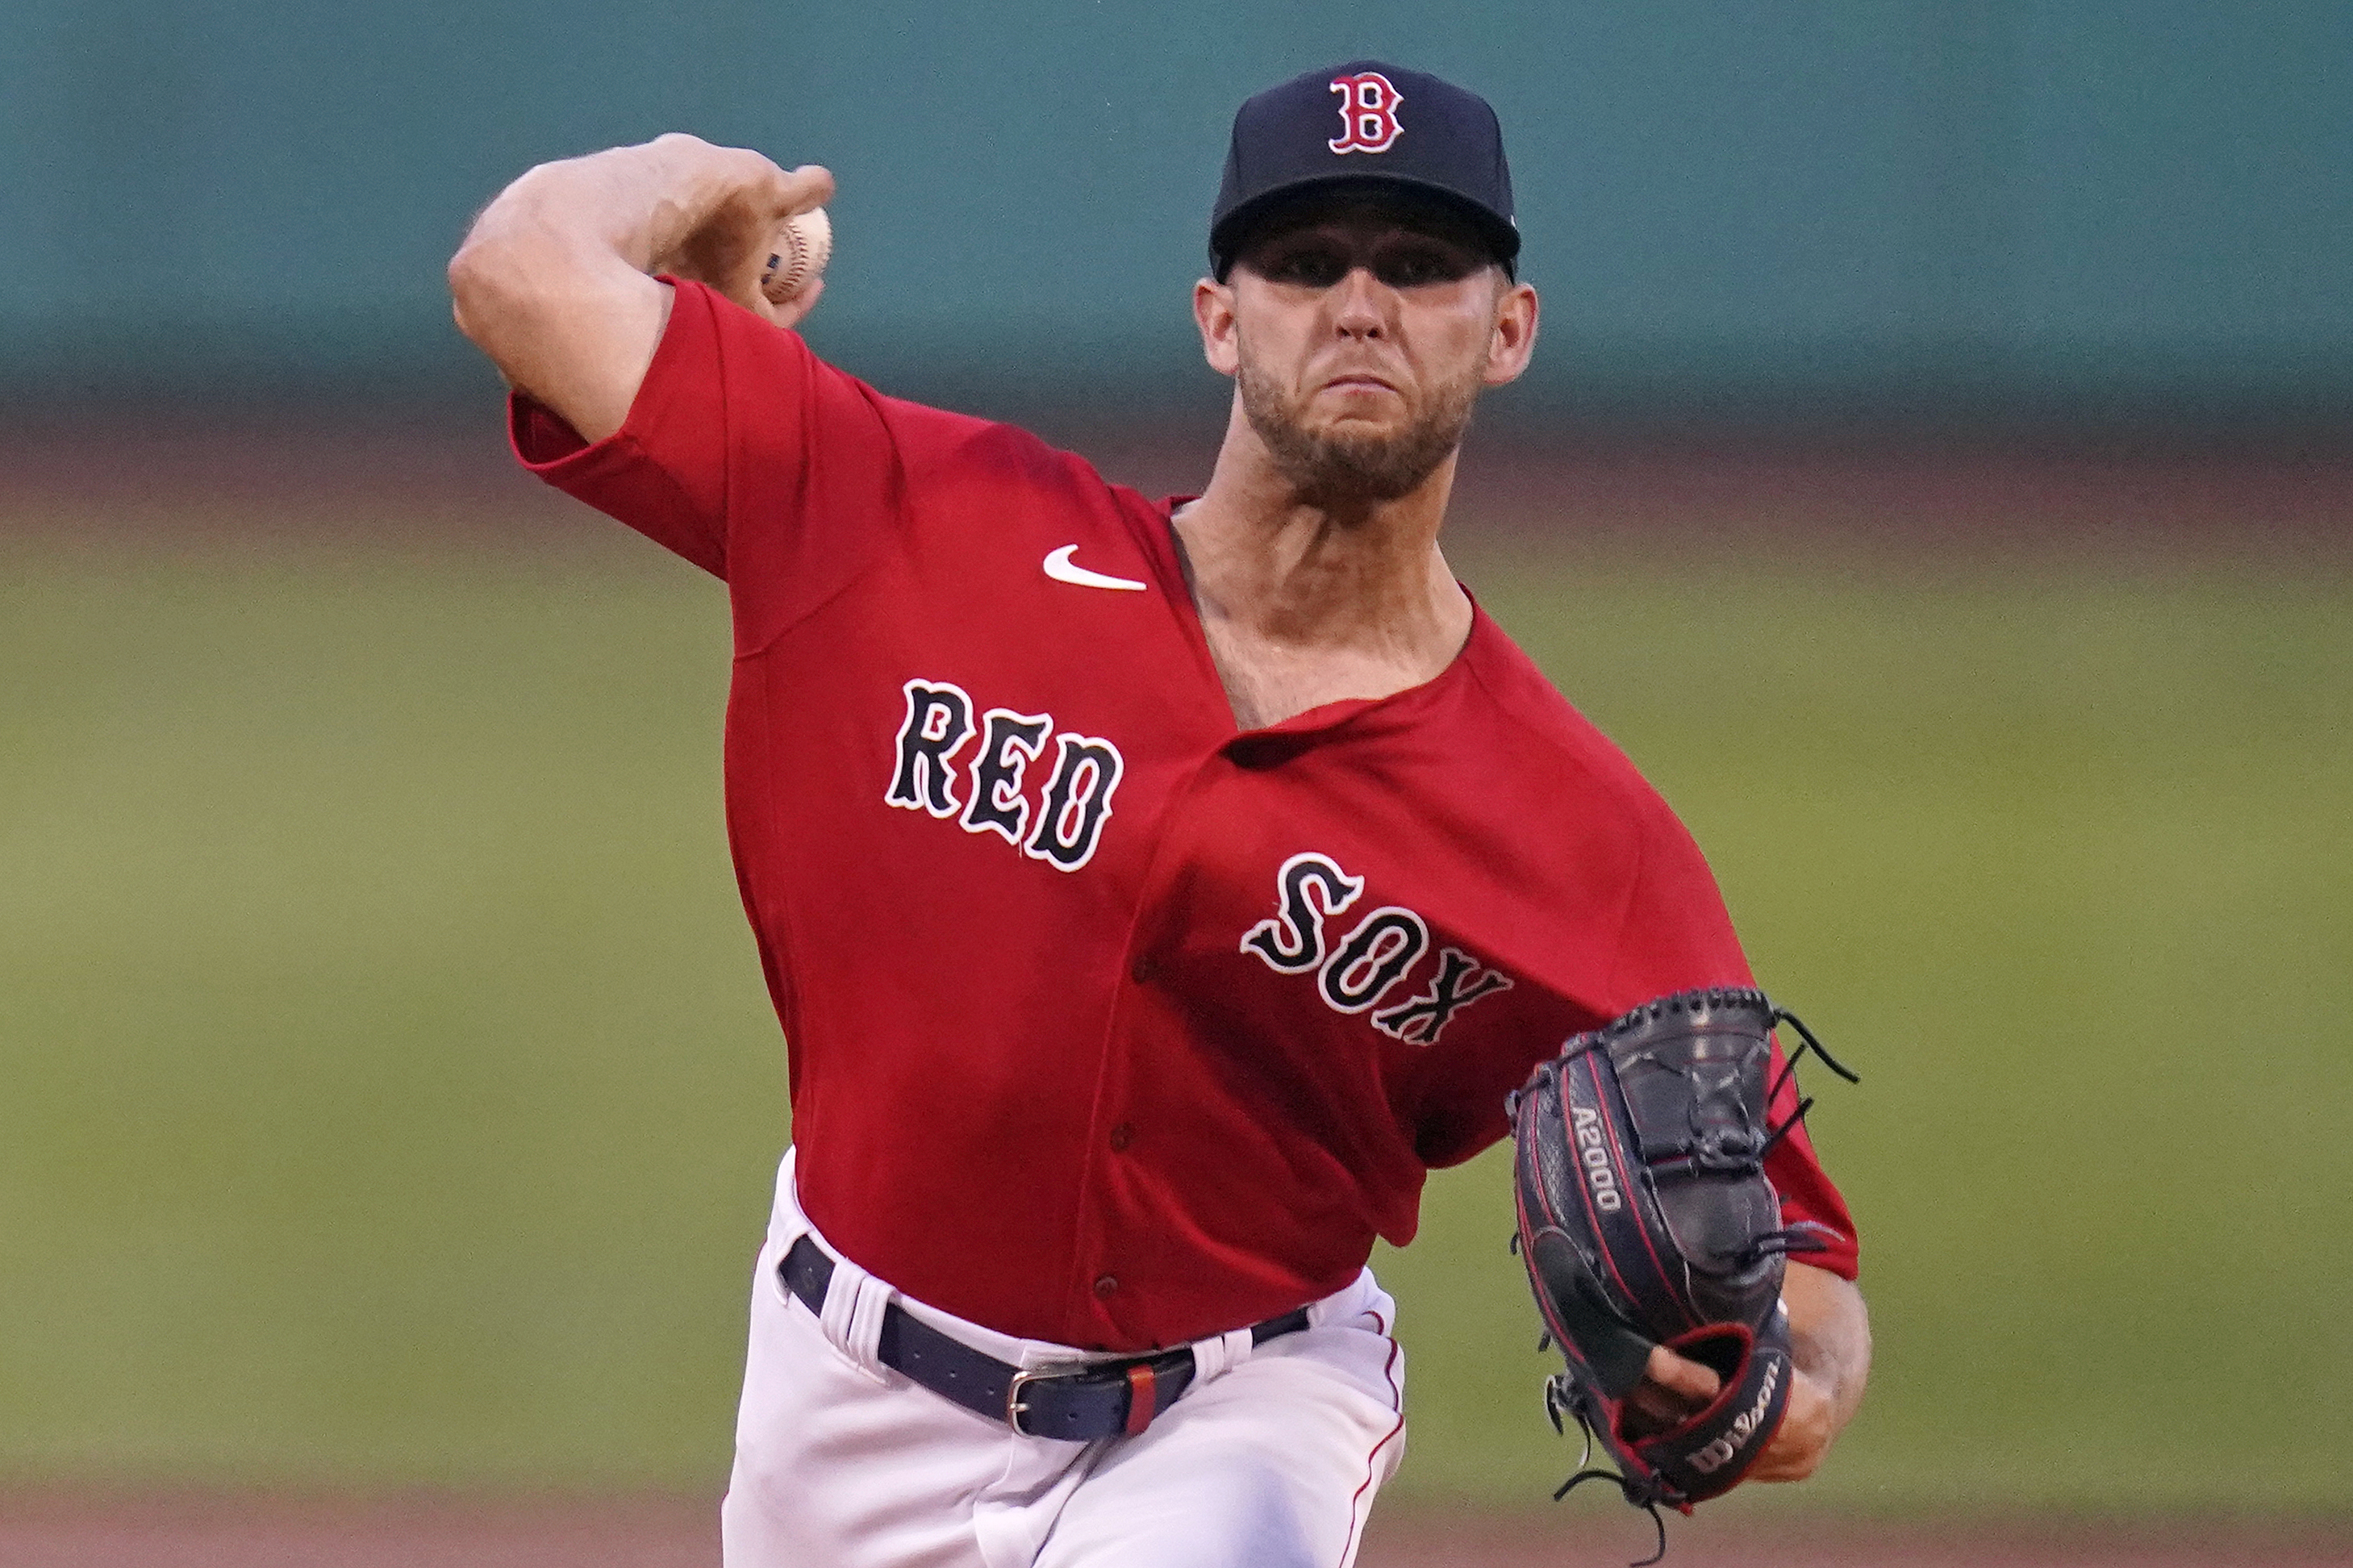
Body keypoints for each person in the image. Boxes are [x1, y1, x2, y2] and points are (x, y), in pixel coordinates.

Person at [448, 59, 1868, 1568]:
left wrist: (1789, 1386)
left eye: (1421, 264)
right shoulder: (907, 521)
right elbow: (516, 272)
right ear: (1218, 317)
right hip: (839, 1400)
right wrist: (696, 169)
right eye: (1306, 262)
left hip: (1238, 1413)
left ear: (1506, 329)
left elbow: (1808, 1280)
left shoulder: (1579, 839)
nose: (1361, 303)